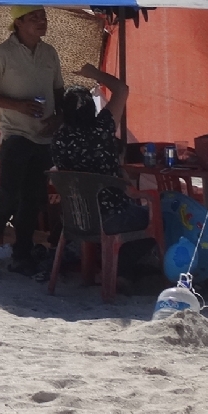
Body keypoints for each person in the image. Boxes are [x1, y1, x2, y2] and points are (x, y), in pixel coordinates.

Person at [0, 6, 64, 280]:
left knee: (33, 200)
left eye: (44, 18)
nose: (41, 23)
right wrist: (17, 106)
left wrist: (58, 117)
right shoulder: (1, 53)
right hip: (15, 135)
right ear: (19, 23)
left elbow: (59, 90)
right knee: (6, 198)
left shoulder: (50, 53)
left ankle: (21, 255)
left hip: (43, 136)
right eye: (34, 18)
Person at [50, 66, 155, 282]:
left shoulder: (59, 139)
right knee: (160, 216)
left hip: (75, 219)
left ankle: (108, 266)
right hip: (111, 216)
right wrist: (94, 74)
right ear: (92, 108)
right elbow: (122, 89)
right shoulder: (102, 129)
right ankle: (121, 268)